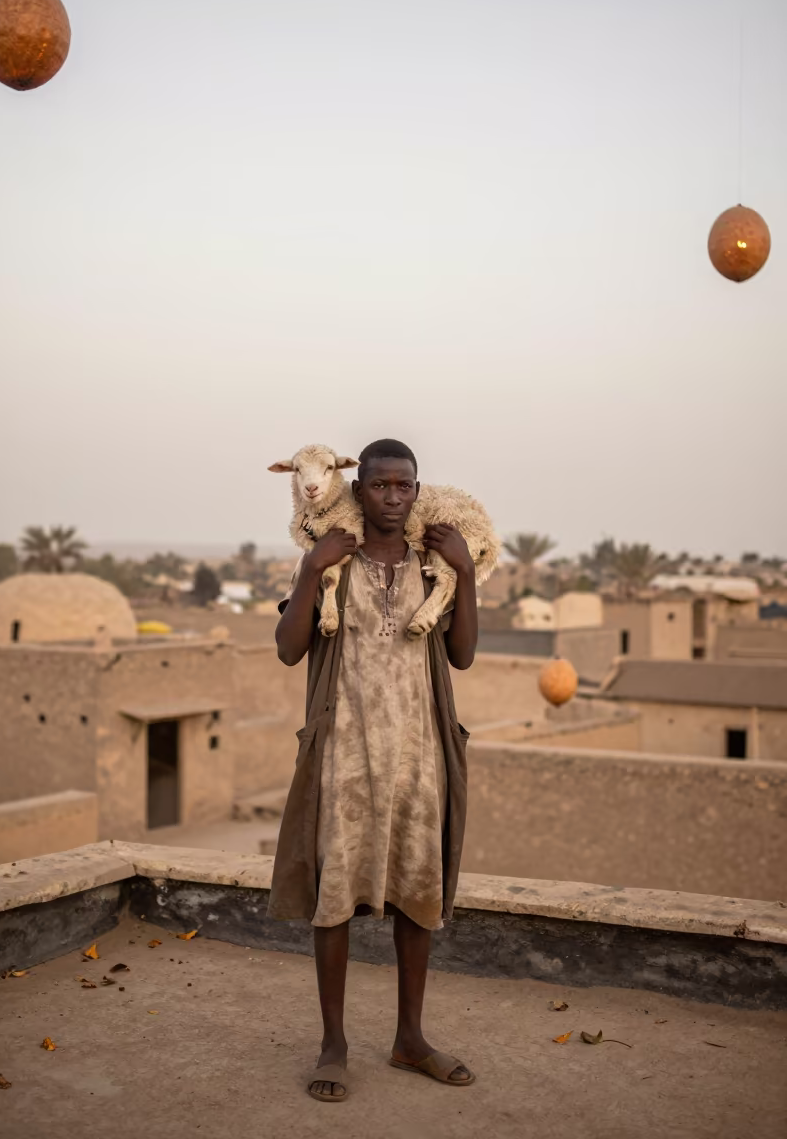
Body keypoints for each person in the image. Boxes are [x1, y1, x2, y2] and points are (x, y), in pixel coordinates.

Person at [269, 438, 478, 1101]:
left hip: (417, 758)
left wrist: (465, 574)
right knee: (334, 900)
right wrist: (310, 571)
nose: (392, 496)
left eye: (404, 486)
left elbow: (464, 655)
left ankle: (410, 1040)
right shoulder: (334, 558)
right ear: (358, 490)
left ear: (418, 492)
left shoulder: (430, 561)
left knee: (419, 895)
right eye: (380, 485)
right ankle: (333, 1045)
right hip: (346, 757)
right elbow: (288, 649)